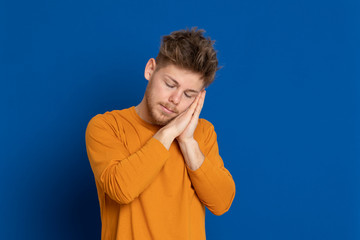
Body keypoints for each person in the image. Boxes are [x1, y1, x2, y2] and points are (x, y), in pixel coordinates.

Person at [85, 27, 236, 240]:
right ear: (150, 69)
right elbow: (121, 189)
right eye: (170, 84)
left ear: (199, 97)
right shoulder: (107, 126)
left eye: (188, 94)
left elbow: (222, 202)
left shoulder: (203, 133)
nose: (175, 99)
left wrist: (188, 142)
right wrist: (169, 132)